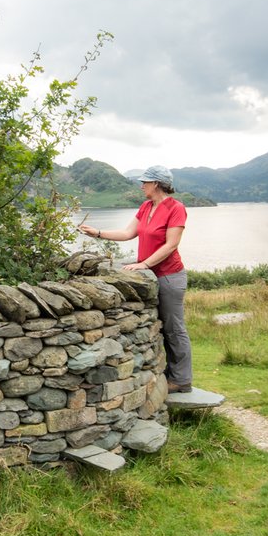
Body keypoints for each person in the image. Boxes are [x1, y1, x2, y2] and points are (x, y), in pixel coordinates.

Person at [78, 165, 193, 393]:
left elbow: (171, 244)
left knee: (174, 328)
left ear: (157, 184)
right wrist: (98, 233)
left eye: (145, 182)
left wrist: (144, 264)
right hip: (151, 274)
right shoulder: (146, 206)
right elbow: (128, 233)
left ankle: (182, 380)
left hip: (170, 276)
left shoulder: (176, 208)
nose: (141, 186)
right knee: (162, 327)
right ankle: (171, 374)